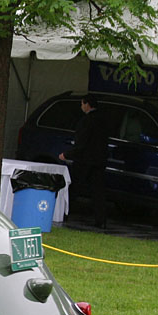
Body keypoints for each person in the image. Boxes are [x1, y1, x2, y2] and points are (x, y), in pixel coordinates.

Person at [59, 94, 110, 228]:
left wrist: (67, 154)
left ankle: (65, 215)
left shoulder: (86, 121)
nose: (81, 106)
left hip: (84, 161)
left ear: (87, 104)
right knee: (98, 192)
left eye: (82, 104)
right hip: (99, 161)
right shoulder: (104, 120)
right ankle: (101, 220)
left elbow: (80, 144)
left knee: (74, 188)